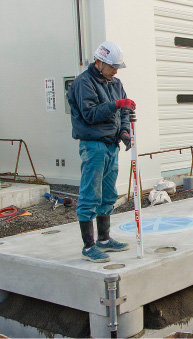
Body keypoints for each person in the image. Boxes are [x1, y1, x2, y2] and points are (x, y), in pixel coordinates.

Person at [68, 41, 135, 263]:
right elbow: (90, 114)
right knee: (90, 195)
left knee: (108, 194)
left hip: (111, 145)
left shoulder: (115, 83)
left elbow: (125, 111)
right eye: (112, 66)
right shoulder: (83, 83)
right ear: (99, 62)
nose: (116, 71)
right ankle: (89, 246)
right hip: (93, 145)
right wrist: (116, 104)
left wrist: (124, 132)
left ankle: (104, 240)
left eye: (117, 67)